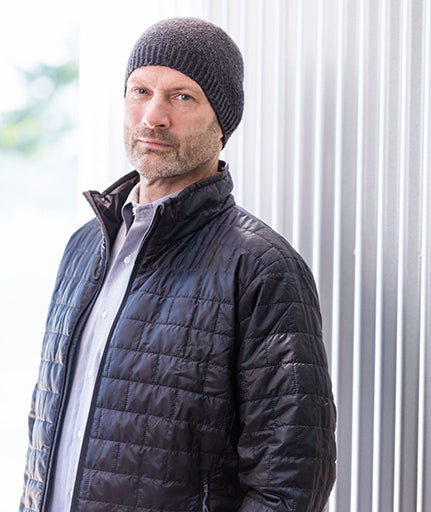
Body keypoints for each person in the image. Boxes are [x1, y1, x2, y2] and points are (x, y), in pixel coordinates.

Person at [20, 17, 336, 512]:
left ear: (222, 124)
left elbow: (290, 484)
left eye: (182, 97)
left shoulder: (262, 269)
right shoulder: (83, 247)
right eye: (140, 90)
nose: (153, 116)